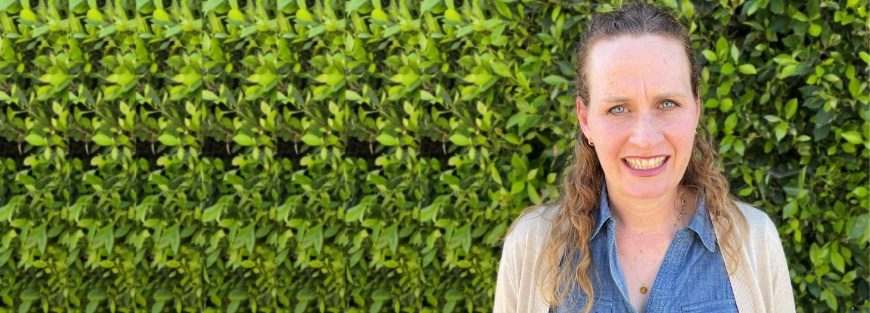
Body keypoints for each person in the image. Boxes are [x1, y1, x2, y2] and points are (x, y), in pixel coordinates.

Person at [493, 3, 795, 313]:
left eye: (667, 103)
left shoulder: (754, 241)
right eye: (618, 108)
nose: (645, 139)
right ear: (585, 120)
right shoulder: (533, 246)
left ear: (696, 110)